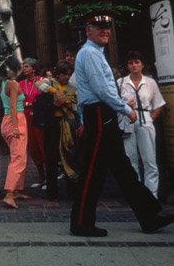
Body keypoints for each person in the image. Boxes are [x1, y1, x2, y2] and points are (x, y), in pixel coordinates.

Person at [70, 12, 174, 237]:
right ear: (88, 30)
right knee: (92, 171)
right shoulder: (89, 53)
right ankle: (80, 222)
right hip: (98, 113)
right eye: (99, 27)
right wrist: (126, 109)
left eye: (107, 27)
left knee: (123, 169)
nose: (105, 30)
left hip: (101, 113)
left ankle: (149, 216)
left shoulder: (95, 53)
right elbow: (101, 89)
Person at [117, 51, 165, 198]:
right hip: (127, 119)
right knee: (131, 159)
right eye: (131, 63)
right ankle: (136, 196)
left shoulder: (150, 82)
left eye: (137, 62)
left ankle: (151, 195)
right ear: (127, 66)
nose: (134, 65)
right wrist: (126, 105)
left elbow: (159, 104)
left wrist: (150, 118)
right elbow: (115, 103)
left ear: (142, 64)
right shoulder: (121, 83)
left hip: (145, 118)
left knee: (149, 159)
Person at [36, 61, 79, 201]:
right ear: (58, 75)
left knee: (69, 156)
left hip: (68, 124)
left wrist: (68, 104)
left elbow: (78, 106)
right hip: (52, 125)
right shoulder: (50, 84)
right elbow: (39, 86)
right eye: (63, 74)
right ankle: (52, 192)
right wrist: (55, 98)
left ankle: (72, 190)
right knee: (51, 158)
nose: (66, 77)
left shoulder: (73, 88)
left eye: (68, 74)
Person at [0, 56, 28, 209]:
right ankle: (9, 194)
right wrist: (16, 127)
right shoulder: (14, 83)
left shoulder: (4, 83)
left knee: (19, 155)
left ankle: (16, 189)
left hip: (7, 119)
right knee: (18, 158)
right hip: (15, 119)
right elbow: (13, 107)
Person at [19, 58, 45, 187]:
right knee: (33, 147)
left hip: (39, 117)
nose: (24, 69)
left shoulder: (42, 81)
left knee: (42, 145)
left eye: (26, 66)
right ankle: (41, 177)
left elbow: (46, 99)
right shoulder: (21, 84)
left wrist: (31, 103)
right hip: (25, 118)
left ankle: (50, 178)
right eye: (23, 66)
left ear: (33, 69)